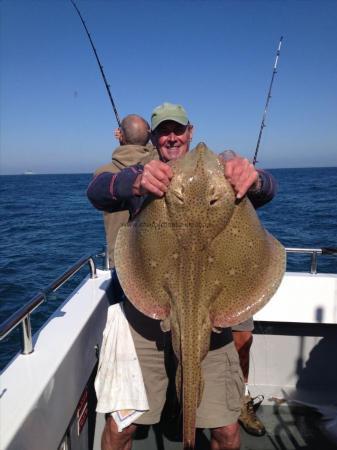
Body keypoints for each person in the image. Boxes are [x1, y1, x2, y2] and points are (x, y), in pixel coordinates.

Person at [87, 102, 277, 450]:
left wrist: (255, 178)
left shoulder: (223, 171)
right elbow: (97, 190)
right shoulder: (143, 172)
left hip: (212, 316)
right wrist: (136, 181)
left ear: (190, 132)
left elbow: (268, 189)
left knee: (226, 432)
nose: (172, 138)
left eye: (179, 130)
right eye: (163, 131)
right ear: (154, 138)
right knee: (122, 426)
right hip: (146, 319)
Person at [93, 114, 158, 268]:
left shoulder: (104, 173)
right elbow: (152, 149)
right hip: (153, 261)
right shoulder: (157, 167)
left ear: (120, 135)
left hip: (120, 263)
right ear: (149, 137)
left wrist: (124, 138)